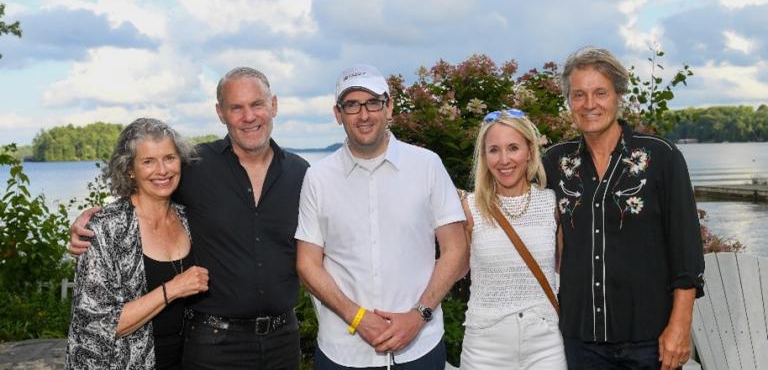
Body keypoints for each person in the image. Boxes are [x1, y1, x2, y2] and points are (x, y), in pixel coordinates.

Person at [69, 67, 309, 369]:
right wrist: (89, 221)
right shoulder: (196, 166)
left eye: (257, 104)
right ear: (220, 113)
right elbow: (145, 191)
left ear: (273, 105)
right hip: (213, 344)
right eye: (237, 107)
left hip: (282, 341)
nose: (249, 117)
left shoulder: (301, 173)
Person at [295, 64, 468, 369]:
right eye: (352, 105)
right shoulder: (318, 178)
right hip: (342, 353)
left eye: (372, 102)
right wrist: (358, 318)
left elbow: (455, 249)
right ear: (338, 114)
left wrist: (419, 316)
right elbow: (307, 264)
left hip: (420, 347)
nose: (363, 115)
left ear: (389, 107)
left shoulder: (427, 165)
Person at [542, 47, 705, 370]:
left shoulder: (661, 157)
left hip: (650, 339)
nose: (590, 104)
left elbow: (686, 251)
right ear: (569, 102)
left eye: (600, 92)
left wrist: (680, 326)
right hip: (579, 339)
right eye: (579, 95)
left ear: (619, 95)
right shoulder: (555, 162)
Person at [66, 118, 209, 369]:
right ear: (130, 169)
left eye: (169, 158)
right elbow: (96, 324)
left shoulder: (188, 218)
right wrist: (172, 289)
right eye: (148, 161)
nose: (162, 170)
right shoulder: (106, 228)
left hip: (184, 359)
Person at [458, 109, 566, 369]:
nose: (504, 160)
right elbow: (456, 268)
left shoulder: (552, 203)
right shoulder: (469, 207)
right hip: (484, 347)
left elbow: (563, 270)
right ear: (484, 156)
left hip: (546, 345)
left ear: (530, 151)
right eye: (494, 150)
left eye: (513, 148)